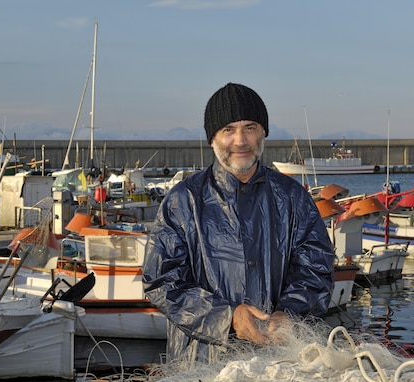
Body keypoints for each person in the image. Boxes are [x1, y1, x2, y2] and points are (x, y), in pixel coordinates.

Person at [142, 82, 334, 364]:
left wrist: (289, 312)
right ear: (212, 138)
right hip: (199, 366)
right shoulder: (182, 201)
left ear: (263, 133)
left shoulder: (293, 198)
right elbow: (161, 281)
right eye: (228, 130)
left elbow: (316, 268)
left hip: (279, 364)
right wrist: (227, 317)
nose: (240, 141)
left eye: (250, 127)